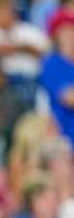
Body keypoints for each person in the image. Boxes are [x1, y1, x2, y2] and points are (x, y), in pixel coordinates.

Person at [40, 8, 74, 146]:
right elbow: (69, 98)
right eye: (65, 31)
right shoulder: (52, 63)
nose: (71, 35)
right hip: (66, 137)